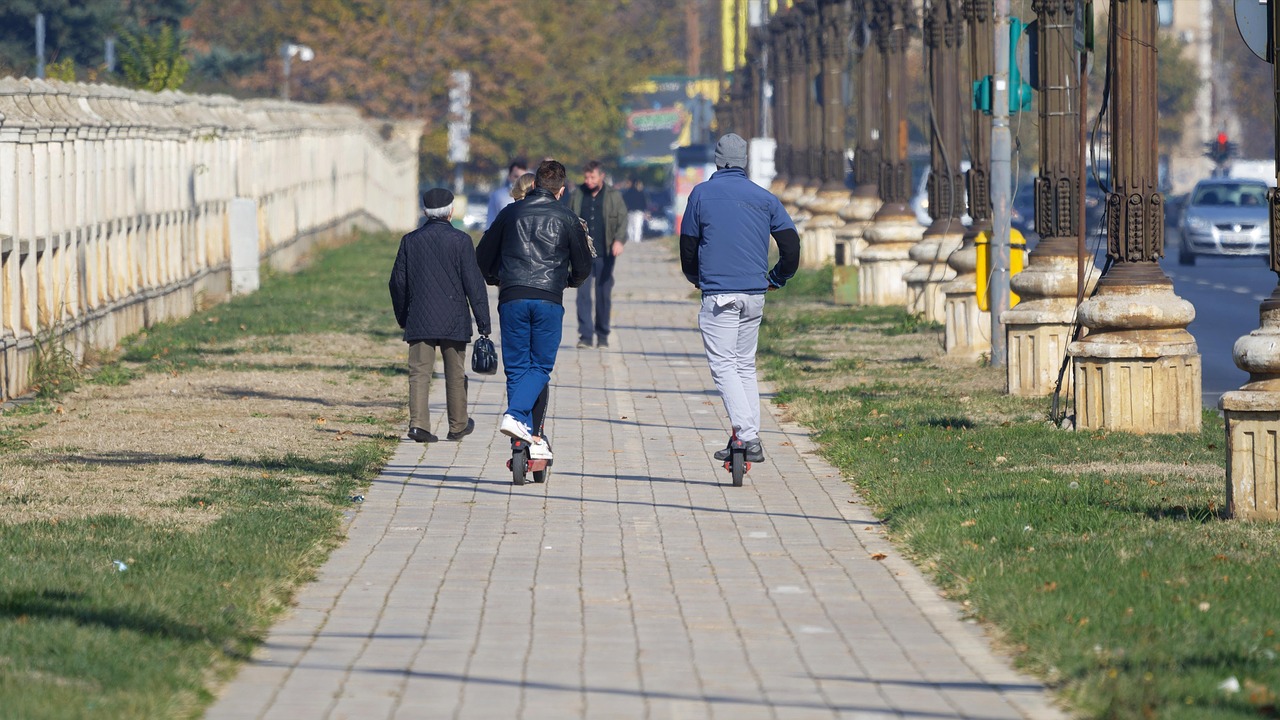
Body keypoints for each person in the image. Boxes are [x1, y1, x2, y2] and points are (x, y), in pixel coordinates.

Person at [679, 133, 800, 463]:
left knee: (723, 366)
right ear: (744, 161)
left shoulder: (701, 195)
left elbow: (688, 244)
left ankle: (746, 436)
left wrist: (695, 277)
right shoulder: (765, 198)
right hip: (754, 294)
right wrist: (778, 278)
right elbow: (791, 246)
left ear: (718, 161)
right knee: (744, 365)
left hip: (719, 294)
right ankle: (750, 435)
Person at [476, 160, 593, 460]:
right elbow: (583, 266)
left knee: (516, 368)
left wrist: (495, 278)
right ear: (561, 191)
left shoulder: (509, 213)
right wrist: (568, 281)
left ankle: (523, 436)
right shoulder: (567, 218)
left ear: (536, 185)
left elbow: (483, 256)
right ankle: (518, 418)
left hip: (512, 297)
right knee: (540, 367)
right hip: (548, 300)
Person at [389, 188, 492, 443]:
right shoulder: (461, 241)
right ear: (451, 212)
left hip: (420, 318)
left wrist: (404, 317)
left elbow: (397, 283)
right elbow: (474, 285)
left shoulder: (410, 241)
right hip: (454, 318)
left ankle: (419, 425)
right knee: (455, 373)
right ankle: (457, 425)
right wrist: (483, 324)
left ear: (425, 212)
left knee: (419, 373)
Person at [567, 160, 628, 348]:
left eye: (592, 177)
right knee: (583, 295)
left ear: (601, 176)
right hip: (582, 255)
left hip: (605, 253)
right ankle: (585, 336)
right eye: (586, 177)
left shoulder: (613, 196)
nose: (589, 180)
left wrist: (619, 240)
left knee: (603, 294)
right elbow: (568, 218)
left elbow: (622, 219)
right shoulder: (577, 195)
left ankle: (602, 334)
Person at [487, 158, 529, 228]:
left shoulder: (531, 197)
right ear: (509, 176)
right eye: (516, 176)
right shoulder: (498, 196)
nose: (519, 180)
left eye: (522, 177)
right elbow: (491, 222)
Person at [622, 178, 647, 244]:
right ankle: (637, 241)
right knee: (637, 227)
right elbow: (644, 203)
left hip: (630, 212)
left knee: (630, 228)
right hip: (639, 212)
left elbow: (623, 203)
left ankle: (631, 241)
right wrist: (645, 211)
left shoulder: (627, 193)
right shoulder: (641, 193)